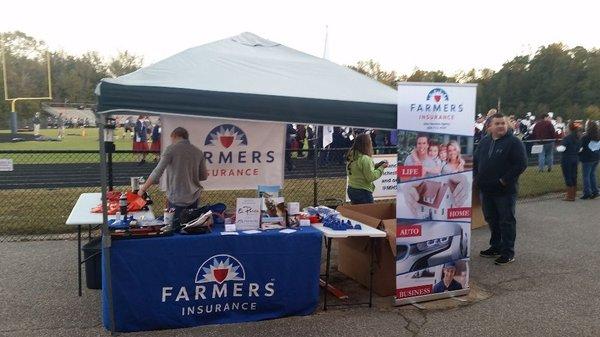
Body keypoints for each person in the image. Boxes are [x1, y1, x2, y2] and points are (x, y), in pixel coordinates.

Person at [474, 113, 527, 265]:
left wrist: (504, 180)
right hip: (486, 190)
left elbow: (521, 164)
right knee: (491, 219)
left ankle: (508, 252)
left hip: (504, 191)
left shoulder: (514, 142)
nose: (501, 126)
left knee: (506, 221)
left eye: (503, 123)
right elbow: (477, 161)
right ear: (489, 127)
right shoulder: (484, 142)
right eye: (497, 124)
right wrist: (477, 178)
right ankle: (496, 246)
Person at [138, 127, 208, 230]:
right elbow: (204, 176)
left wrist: (142, 189)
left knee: (175, 229)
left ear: (174, 136)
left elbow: (157, 172)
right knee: (191, 229)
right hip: (194, 197)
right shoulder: (198, 152)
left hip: (177, 197)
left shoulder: (171, 149)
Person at [346, 133, 388, 204]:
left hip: (352, 189)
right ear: (366, 144)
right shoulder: (365, 158)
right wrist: (381, 168)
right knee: (370, 212)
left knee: (357, 212)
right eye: (370, 141)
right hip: (363, 191)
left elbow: (361, 169)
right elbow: (370, 177)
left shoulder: (352, 156)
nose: (371, 143)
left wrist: (377, 165)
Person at [560, 122, 581, 201]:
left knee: (568, 176)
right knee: (574, 176)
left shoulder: (567, 138)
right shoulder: (578, 138)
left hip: (567, 159)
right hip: (575, 158)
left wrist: (558, 148)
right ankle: (574, 194)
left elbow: (562, 148)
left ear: (569, 129)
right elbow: (580, 149)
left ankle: (570, 196)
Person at [578, 120, 600, 200]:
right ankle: (595, 191)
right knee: (592, 174)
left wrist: (578, 153)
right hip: (596, 157)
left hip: (587, 159)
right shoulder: (598, 136)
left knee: (586, 176)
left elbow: (580, 147)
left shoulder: (585, 137)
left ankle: (587, 192)